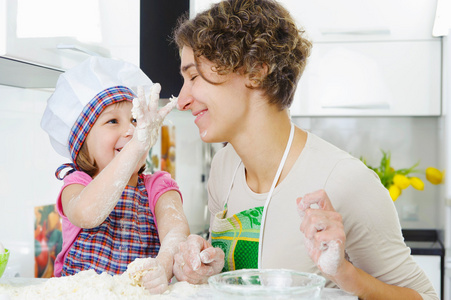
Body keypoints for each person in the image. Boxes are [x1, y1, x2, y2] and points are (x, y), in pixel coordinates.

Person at [170, 0, 439, 299]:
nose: (182, 100)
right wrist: (204, 267)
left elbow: (424, 297)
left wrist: (345, 275)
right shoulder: (224, 168)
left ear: (255, 71)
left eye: (193, 76)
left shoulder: (344, 181)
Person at [40, 57, 189, 294]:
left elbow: (176, 233)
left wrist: (162, 268)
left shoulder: (158, 186)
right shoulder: (77, 185)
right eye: (112, 121)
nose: (130, 130)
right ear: (83, 145)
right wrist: (134, 148)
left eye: (134, 119)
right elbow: (88, 214)